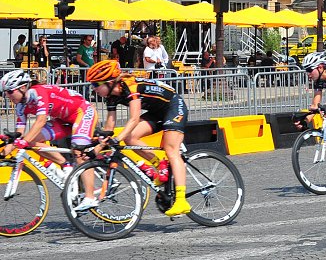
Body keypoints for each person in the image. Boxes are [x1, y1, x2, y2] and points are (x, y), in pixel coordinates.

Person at [86, 59, 192, 216]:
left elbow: (134, 118)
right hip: (157, 112)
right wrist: (96, 148)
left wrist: (117, 138)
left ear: (108, 82)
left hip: (174, 106)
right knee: (131, 138)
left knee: (171, 150)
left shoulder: (130, 86)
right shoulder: (111, 96)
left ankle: (182, 200)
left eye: (95, 85)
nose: (93, 89)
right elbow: (110, 127)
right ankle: (159, 164)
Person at [1, 69, 101, 210]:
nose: (7, 95)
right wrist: (6, 150)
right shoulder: (20, 106)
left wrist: (22, 142)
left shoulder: (38, 92)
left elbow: (41, 121)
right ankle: (65, 165)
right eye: (5, 92)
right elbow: (19, 133)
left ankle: (90, 197)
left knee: (79, 152)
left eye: (10, 91)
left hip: (82, 112)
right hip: (62, 120)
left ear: (22, 87)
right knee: (30, 142)